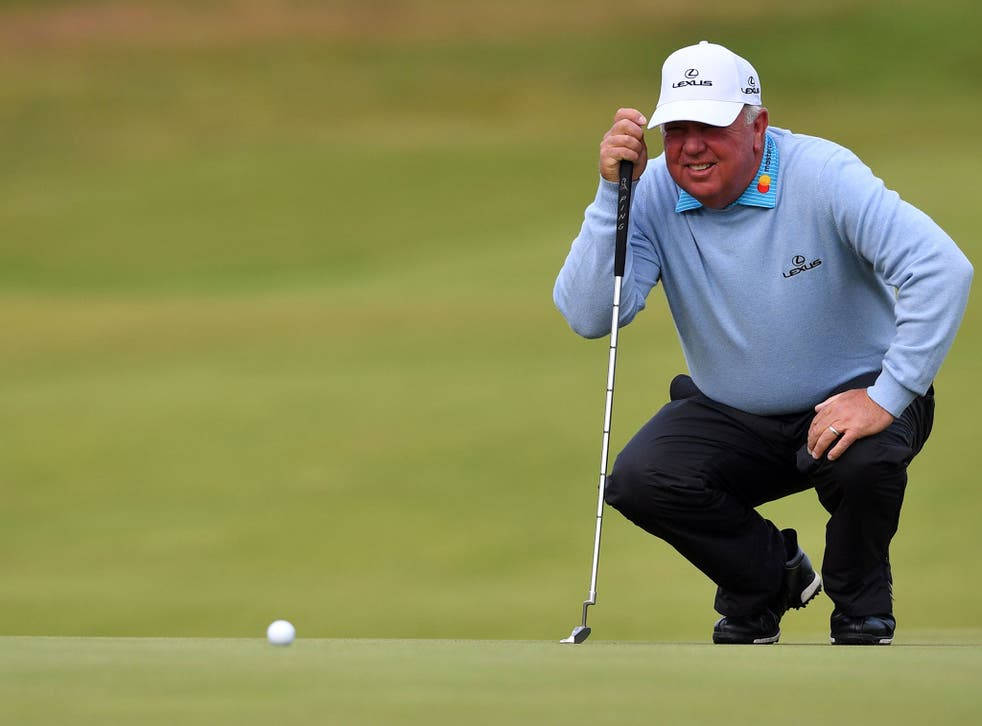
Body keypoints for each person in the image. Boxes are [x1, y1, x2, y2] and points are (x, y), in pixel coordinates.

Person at [553, 41, 972, 645]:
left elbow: (941, 268)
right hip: (733, 409)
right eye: (676, 129)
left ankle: (860, 607)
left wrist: (887, 396)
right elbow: (588, 314)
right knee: (643, 477)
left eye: (711, 126)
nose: (691, 146)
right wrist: (611, 196)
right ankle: (766, 582)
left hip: (855, 398)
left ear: (757, 127)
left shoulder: (822, 175)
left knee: (865, 462)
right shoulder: (651, 196)